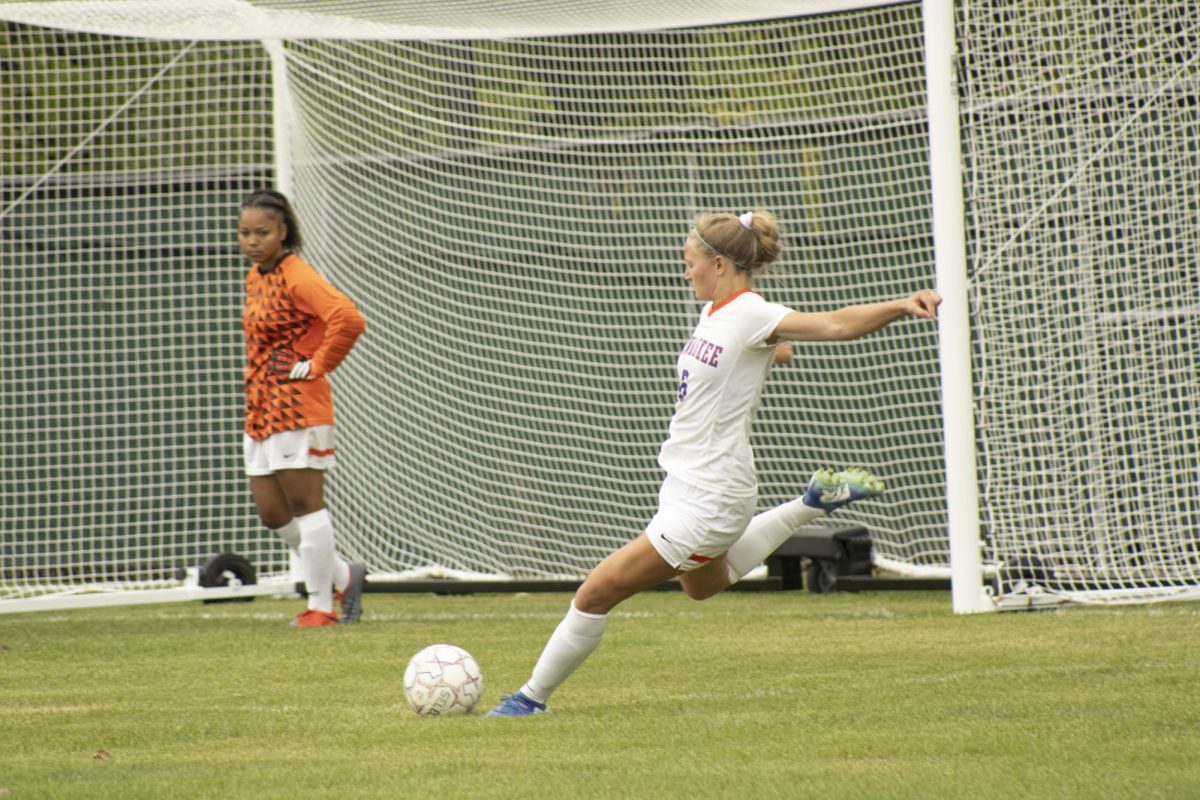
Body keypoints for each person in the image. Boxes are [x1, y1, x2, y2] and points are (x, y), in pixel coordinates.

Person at [488, 210, 940, 715]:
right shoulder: (718, 314)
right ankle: (811, 503)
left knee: (595, 593)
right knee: (702, 586)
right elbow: (751, 354)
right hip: (689, 485)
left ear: (720, 264)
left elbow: (833, 324)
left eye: (691, 263)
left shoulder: (751, 312)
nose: (686, 273)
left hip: (711, 494)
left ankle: (530, 699)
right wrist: (773, 353)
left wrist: (903, 305)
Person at [238, 188, 368, 627]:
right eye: (244, 233)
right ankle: (342, 575)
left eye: (262, 232)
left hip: (297, 405)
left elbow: (348, 318)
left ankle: (320, 607)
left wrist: (316, 364)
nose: (252, 241)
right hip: (260, 407)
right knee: (272, 513)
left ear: (283, 232)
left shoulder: (298, 274)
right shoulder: (257, 275)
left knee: (306, 505)